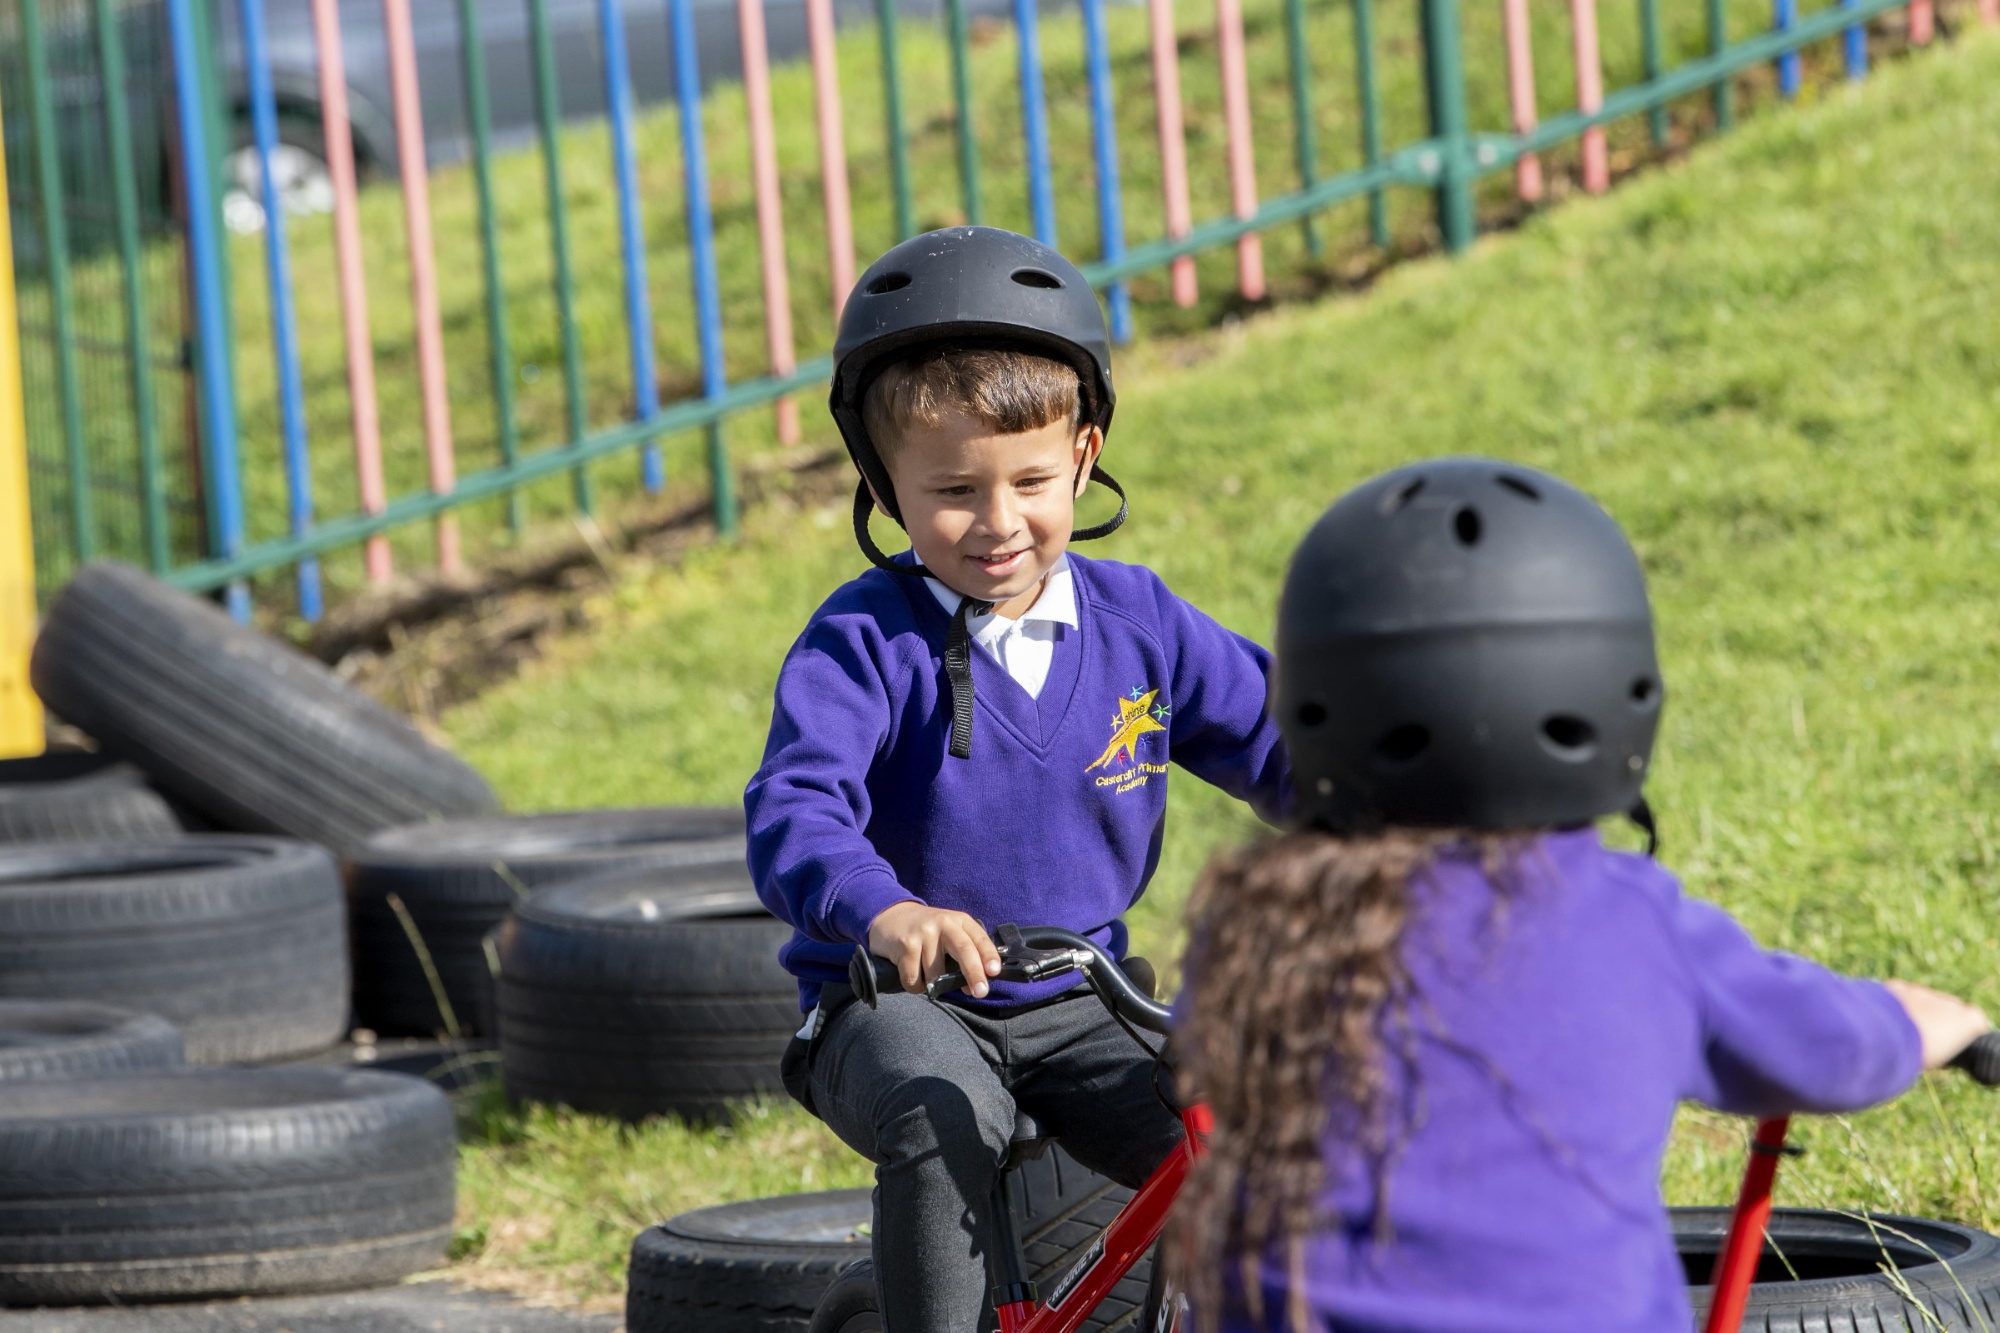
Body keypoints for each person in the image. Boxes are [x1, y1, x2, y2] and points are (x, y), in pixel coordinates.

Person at [1170, 456, 1991, 1333]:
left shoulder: (1254, 921)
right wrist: (1921, 1022)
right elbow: (1823, 1049)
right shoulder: (1627, 916)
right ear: (1611, 686)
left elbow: (1194, 1052)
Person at [745, 226, 1289, 1331]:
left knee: (1257, 1137)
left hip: (1088, 999)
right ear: (881, 481)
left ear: (1083, 457)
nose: (997, 524)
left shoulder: (1140, 623)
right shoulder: (863, 639)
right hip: (897, 1006)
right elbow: (795, 808)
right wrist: (885, 909)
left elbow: (1283, 745)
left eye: (1031, 480)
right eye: (950, 489)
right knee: (934, 1110)